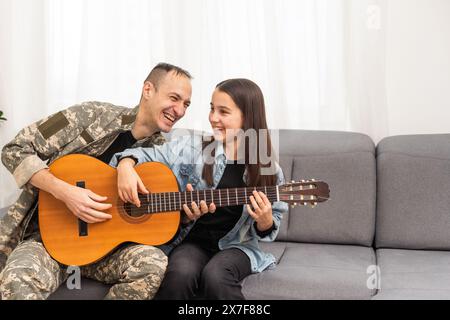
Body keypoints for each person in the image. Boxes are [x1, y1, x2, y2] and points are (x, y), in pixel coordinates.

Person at [0, 63, 196, 300]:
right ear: (148, 90)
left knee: (153, 263)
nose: (180, 110)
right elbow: (15, 149)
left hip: (105, 254)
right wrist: (65, 192)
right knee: (16, 282)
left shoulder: (163, 156)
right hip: (46, 242)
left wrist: (186, 218)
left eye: (186, 104)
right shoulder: (90, 115)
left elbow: (158, 226)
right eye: (174, 98)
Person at [110, 78, 288, 299]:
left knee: (216, 276)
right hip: (193, 242)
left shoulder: (269, 170)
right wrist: (126, 165)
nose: (213, 118)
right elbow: (145, 154)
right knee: (179, 274)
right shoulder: (191, 148)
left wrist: (265, 220)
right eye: (212, 109)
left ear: (247, 116)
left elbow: (270, 225)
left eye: (223, 112)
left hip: (237, 246)